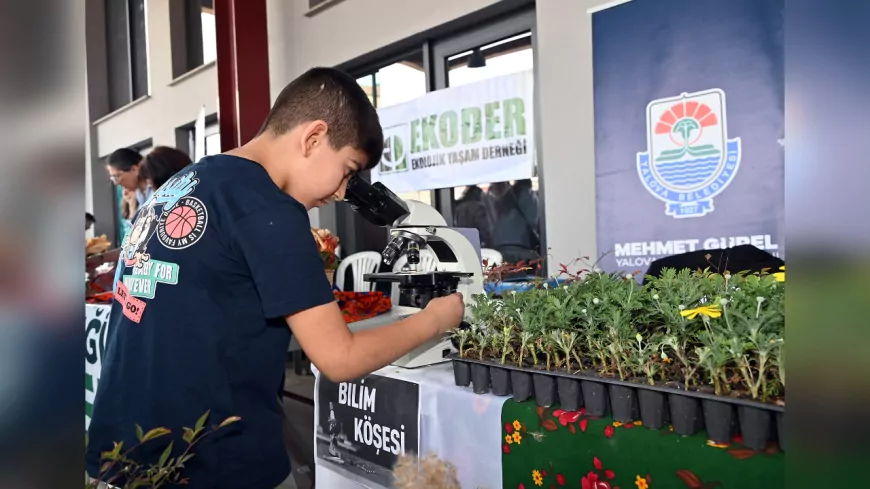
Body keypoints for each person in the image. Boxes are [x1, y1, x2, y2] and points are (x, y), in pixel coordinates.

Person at [85, 67, 465, 489]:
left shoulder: (185, 182)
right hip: (209, 462)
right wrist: (437, 319)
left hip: (128, 449)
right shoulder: (270, 210)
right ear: (314, 137)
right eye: (348, 169)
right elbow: (340, 358)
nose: (342, 192)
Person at [491, 179, 540, 264]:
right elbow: (535, 220)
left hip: (500, 245)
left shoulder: (507, 195)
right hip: (518, 246)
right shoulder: (526, 194)